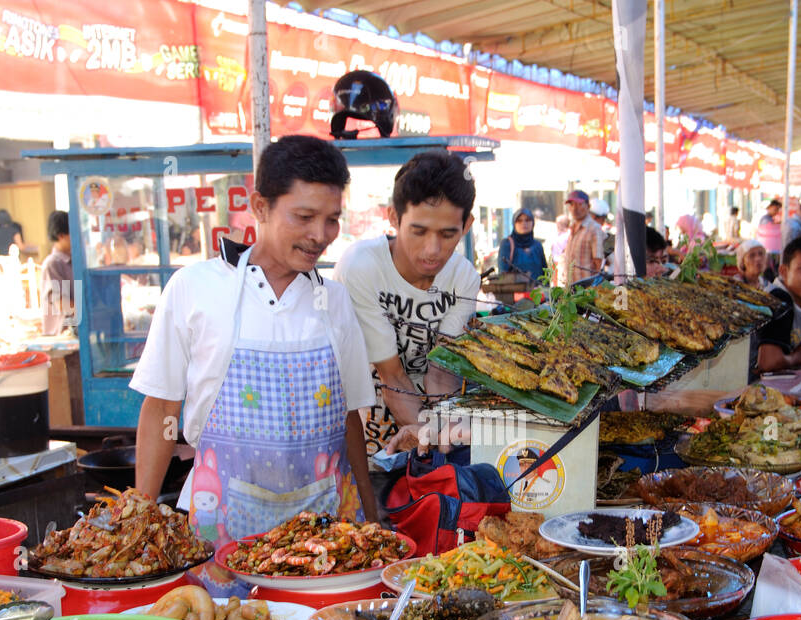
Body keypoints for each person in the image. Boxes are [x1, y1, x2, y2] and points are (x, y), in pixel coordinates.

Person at [131, 135, 378, 596]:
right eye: (303, 217)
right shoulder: (195, 288)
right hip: (221, 536)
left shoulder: (334, 299)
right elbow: (162, 408)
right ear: (259, 206)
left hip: (329, 544)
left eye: (331, 220)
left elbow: (350, 419)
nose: (320, 236)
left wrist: (371, 514)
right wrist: (142, 525)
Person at [334, 150, 480, 457]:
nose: (433, 249)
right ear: (394, 217)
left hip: (427, 420)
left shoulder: (463, 277)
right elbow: (392, 375)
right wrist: (426, 435)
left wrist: (443, 431)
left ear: (466, 225)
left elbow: (441, 371)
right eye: (419, 231)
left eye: (447, 234)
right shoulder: (361, 267)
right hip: (367, 425)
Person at [755, 234, 801, 374]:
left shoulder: (798, 302)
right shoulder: (779, 299)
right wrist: (800, 356)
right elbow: (768, 363)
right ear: (784, 271)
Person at [40, 211, 75, 336]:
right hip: (61, 336)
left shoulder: (73, 262)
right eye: (73, 233)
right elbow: (63, 304)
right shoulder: (53, 264)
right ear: (61, 236)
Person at [558, 189, 604, 286]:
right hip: (571, 289)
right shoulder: (572, 228)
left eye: (579, 204)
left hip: (586, 291)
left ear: (588, 206)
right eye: (571, 205)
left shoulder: (594, 229)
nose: (575, 209)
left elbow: (599, 263)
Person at [497, 208, 546, 283]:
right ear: (514, 224)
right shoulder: (507, 244)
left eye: (527, 220)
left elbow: (545, 275)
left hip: (537, 293)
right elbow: (502, 274)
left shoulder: (537, 246)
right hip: (514, 293)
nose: (524, 223)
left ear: (533, 223)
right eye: (519, 220)